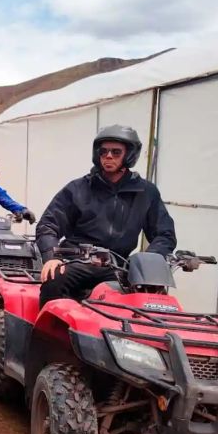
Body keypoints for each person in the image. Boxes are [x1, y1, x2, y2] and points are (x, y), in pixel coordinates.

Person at [36, 125, 176, 306]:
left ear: (129, 155)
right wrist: (51, 256)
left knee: (153, 295)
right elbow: (48, 224)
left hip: (118, 267)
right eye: (104, 151)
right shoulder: (78, 188)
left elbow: (164, 234)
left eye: (116, 152)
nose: (108, 156)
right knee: (54, 280)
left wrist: (147, 261)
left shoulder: (146, 192)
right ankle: (46, 334)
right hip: (77, 262)